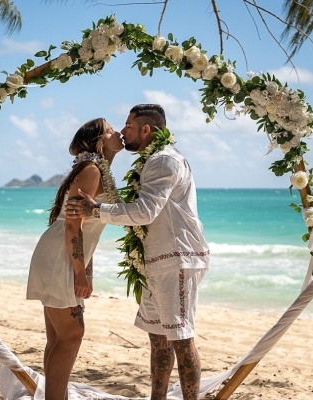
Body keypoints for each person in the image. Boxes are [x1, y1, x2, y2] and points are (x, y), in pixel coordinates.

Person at [66, 104, 210, 400]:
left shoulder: (164, 160)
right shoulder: (152, 160)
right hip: (155, 260)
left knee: (181, 339)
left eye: (128, 126)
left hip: (176, 258)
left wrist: (96, 210)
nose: (123, 131)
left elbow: (145, 212)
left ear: (146, 129)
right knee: (158, 340)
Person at [26, 117, 123, 400]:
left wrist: (87, 272)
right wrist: (80, 273)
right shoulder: (92, 170)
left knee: (59, 337)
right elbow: (72, 226)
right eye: (110, 130)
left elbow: (85, 230)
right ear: (98, 142)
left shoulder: (96, 170)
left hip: (60, 253)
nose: (117, 132)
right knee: (72, 335)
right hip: (60, 256)